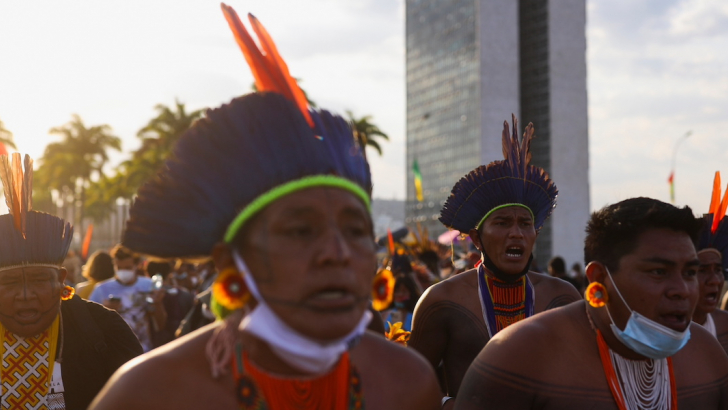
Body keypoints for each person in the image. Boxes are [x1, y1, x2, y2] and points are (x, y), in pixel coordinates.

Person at [89, 6, 439, 409]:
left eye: (355, 230)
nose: (337, 253)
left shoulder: (408, 383)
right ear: (229, 262)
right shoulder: (152, 394)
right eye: (300, 231)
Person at [455, 197, 728, 409]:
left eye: (690, 273)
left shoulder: (709, 356)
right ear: (599, 277)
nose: (681, 290)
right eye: (658, 272)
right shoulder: (518, 356)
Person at [409, 116, 581, 405]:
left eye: (525, 224)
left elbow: (582, 381)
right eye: (502, 222)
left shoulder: (563, 298)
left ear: (535, 235)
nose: (516, 233)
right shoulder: (442, 300)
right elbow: (407, 384)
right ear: (477, 239)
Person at [0, 153, 143, 409]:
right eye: (9, 283)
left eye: (38, 280)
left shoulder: (102, 329)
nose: (25, 295)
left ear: (61, 279)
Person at [90, 245, 166, 352]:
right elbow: (90, 327)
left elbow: (160, 325)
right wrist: (104, 311)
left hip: (144, 351)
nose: (123, 272)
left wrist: (158, 304)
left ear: (137, 265)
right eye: (119, 268)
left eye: (128, 268)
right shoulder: (101, 289)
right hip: (114, 353)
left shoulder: (148, 285)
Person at [693, 172, 728, 352]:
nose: (714, 280)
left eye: (718, 269)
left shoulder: (725, 327)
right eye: (703, 270)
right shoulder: (659, 334)